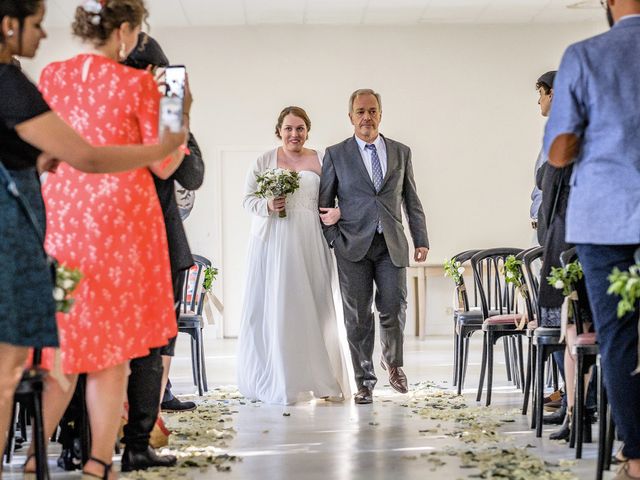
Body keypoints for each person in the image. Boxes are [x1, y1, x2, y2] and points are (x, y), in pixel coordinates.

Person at [0, 0, 185, 474]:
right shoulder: (140, 84)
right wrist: (179, 115)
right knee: (113, 353)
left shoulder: (52, 77)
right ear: (123, 31)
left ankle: (32, 461)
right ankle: (98, 465)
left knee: (63, 347)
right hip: (123, 226)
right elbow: (162, 162)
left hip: (61, 222)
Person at [544, 1, 640, 478]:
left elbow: (558, 150)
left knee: (620, 337)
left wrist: (591, 134)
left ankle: (638, 457)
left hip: (607, 220)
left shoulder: (585, 55)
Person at [119, 32, 204, 471]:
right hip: (133, 240)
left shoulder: (168, 115)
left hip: (147, 242)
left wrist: (178, 121)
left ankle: (128, 440)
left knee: (141, 345)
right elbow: (189, 173)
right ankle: (129, 441)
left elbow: (192, 173)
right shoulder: (150, 111)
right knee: (139, 345)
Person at [319, 89, 429, 404]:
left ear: (380, 113)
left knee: (394, 306)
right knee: (357, 316)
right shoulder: (336, 154)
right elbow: (323, 205)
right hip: (351, 247)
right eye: (360, 111)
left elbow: (411, 199)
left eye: (372, 110)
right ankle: (364, 381)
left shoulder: (400, 152)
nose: (367, 117)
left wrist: (420, 238)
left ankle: (393, 363)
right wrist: (333, 241)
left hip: (391, 243)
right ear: (351, 116)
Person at [237, 106, 352, 405]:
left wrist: (339, 212)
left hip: (311, 239)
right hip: (274, 242)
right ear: (279, 131)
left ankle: (322, 379)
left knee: (315, 306)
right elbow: (247, 199)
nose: (294, 134)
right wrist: (266, 206)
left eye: (300, 128)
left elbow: (343, 194)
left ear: (307, 131)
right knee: (280, 304)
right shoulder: (265, 160)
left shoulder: (323, 159)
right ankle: (283, 378)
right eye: (288, 128)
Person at [531, 70, 555, 245]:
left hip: (549, 227)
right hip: (542, 226)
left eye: (541, 94)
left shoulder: (560, 133)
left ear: (551, 94)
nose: (539, 101)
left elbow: (546, 180)